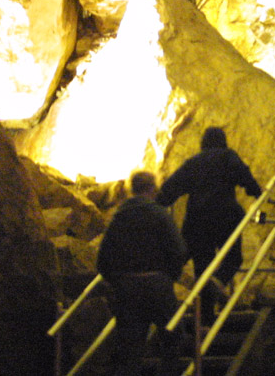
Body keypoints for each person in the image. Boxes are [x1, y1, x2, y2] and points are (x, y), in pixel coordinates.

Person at [157, 127, 261, 324]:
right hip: (225, 218)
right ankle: (218, 281)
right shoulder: (228, 157)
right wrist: (257, 193)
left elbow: (171, 187)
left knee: (202, 267)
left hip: (196, 222)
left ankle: (205, 319)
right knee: (233, 257)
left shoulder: (194, 162)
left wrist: (158, 203)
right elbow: (244, 175)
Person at [97, 170, 187, 376]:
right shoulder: (160, 215)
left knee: (130, 348)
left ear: (131, 189)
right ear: (153, 189)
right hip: (157, 286)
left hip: (127, 289)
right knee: (173, 336)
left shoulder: (119, 218)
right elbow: (178, 250)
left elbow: (103, 259)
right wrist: (169, 277)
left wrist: (118, 281)